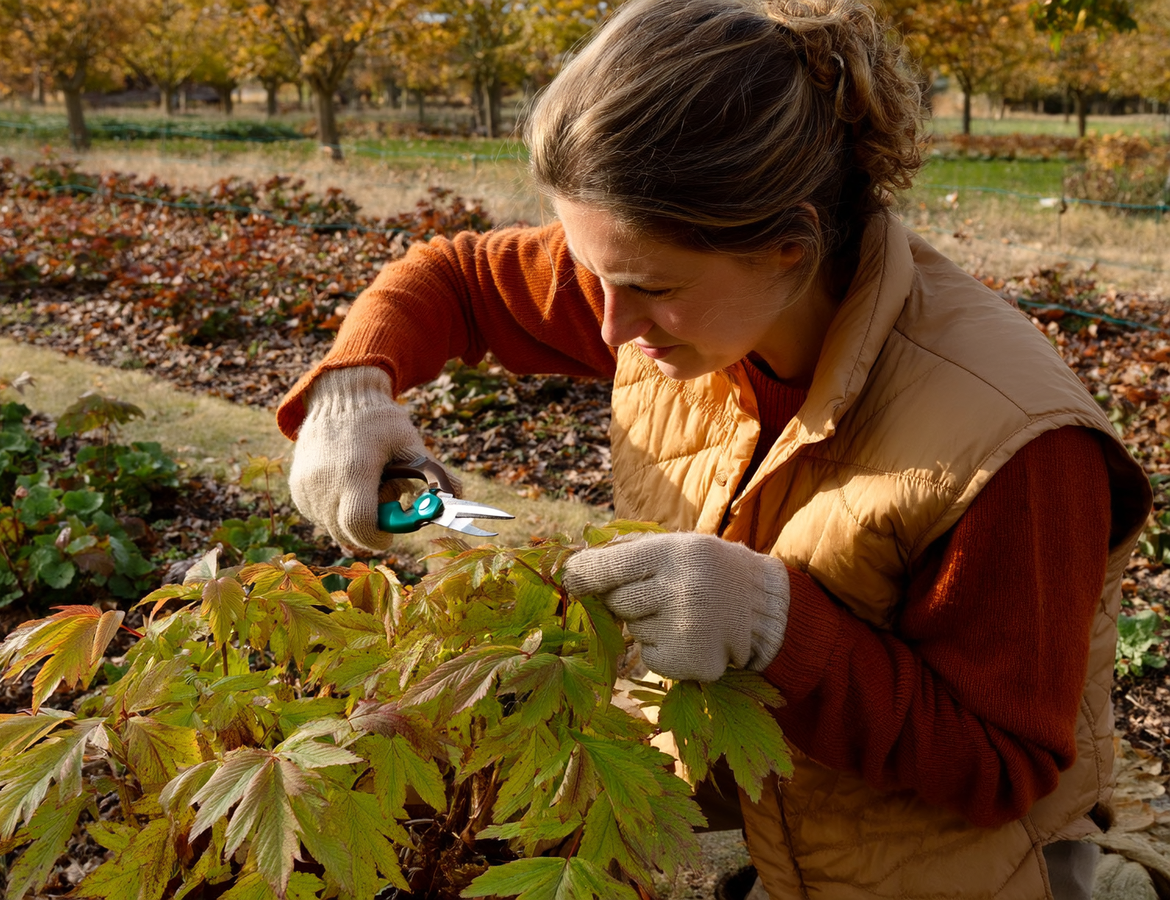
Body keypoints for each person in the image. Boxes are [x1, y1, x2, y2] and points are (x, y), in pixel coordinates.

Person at [277, 0, 1152, 896]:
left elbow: (999, 767)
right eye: (592, 272)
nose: (611, 327)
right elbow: (456, 279)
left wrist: (777, 627)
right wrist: (354, 386)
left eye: (651, 288)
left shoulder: (1012, 445)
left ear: (788, 248)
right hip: (778, 830)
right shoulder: (666, 283)